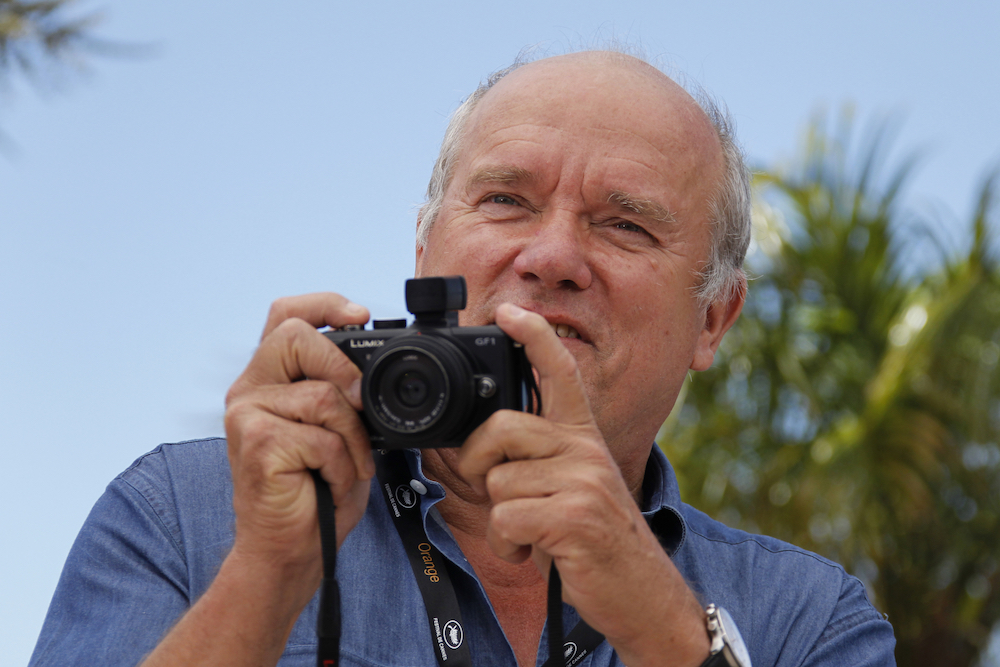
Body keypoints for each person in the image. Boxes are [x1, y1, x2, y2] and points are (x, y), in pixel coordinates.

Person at [30, 50, 896, 667]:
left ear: (715, 317)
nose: (553, 255)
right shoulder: (181, 519)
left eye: (625, 223)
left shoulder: (808, 622)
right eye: (505, 199)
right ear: (425, 251)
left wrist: (668, 632)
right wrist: (266, 578)